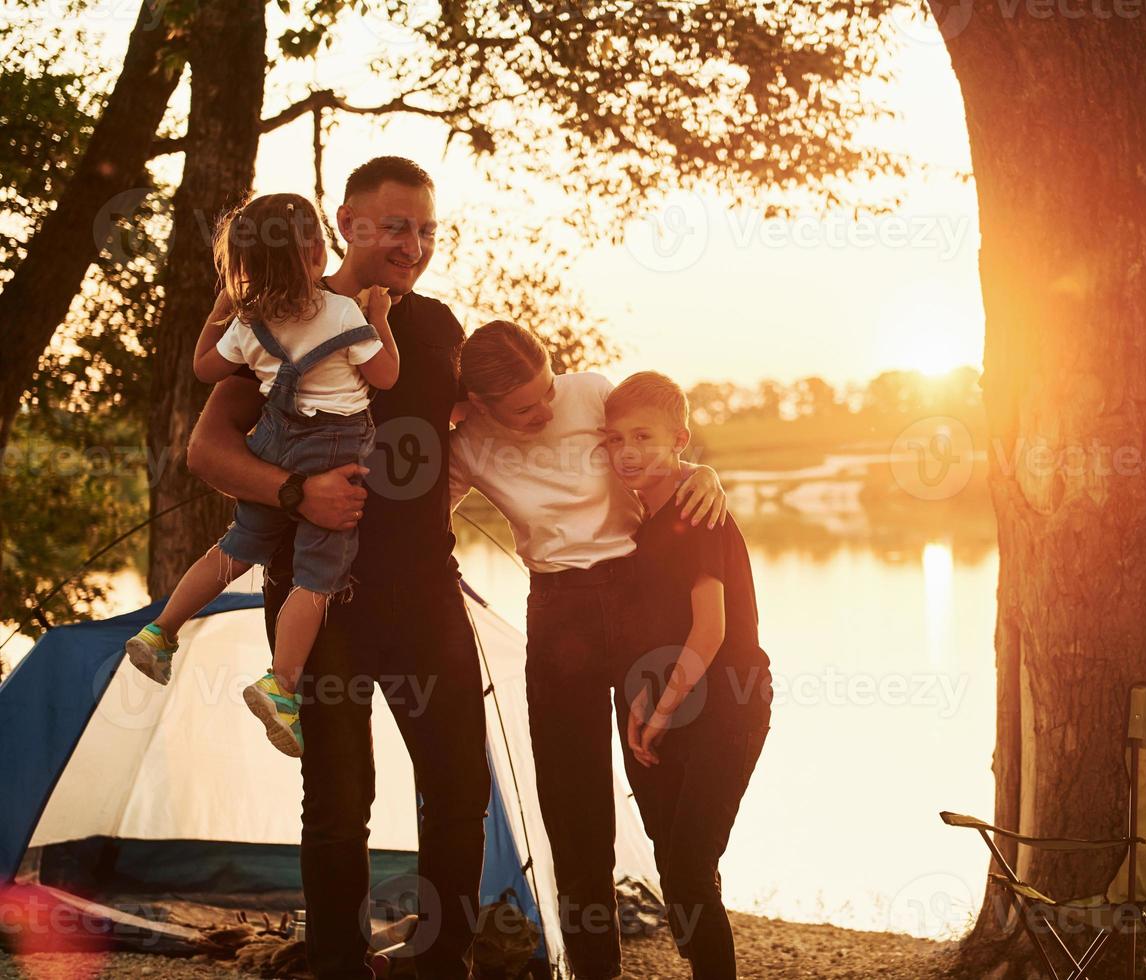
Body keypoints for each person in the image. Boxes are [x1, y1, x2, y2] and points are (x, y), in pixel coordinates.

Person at [188, 157, 491, 979]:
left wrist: (686, 467)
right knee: (335, 804)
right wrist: (295, 490)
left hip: (426, 592)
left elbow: (522, 412)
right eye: (395, 226)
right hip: (322, 595)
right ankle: (336, 966)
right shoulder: (281, 316)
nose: (413, 245)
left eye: (427, 230)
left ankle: (442, 965)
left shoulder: (433, 326)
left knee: (461, 791)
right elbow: (207, 449)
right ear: (348, 221)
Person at [448, 321, 728, 980]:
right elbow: (420, 522)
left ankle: (710, 962)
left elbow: (656, 447)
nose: (547, 409)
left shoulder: (593, 393)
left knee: (667, 797)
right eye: (525, 408)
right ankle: (594, 970)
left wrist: (705, 472)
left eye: (548, 390)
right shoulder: (467, 444)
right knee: (574, 817)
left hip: (640, 600)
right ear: (483, 405)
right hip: (557, 614)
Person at [125, 192, 398, 759]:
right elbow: (386, 375)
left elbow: (204, 367)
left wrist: (224, 304)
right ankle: (281, 683)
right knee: (317, 575)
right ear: (317, 253)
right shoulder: (344, 313)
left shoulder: (249, 322)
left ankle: (161, 630)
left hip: (274, 443)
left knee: (237, 547)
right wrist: (381, 320)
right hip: (333, 450)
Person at [602, 372, 772, 980]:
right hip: (658, 704)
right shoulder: (632, 516)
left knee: (692, 867)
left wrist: (663, 710)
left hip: (725, 703)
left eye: (642, 436)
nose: (627, 450)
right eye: (615, 437)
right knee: (674, 866)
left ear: (680, 438)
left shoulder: (697, 510)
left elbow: (711, 631)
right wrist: (640, 706)